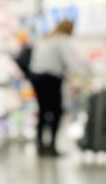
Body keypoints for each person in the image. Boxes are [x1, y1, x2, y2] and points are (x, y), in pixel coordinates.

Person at [28, 19, 85, 156]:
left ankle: (40, 145)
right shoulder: (62, 40)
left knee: (43, 111)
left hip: (36, 77)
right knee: (56, 112)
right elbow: (71, 62)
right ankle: (52, 146)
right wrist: (82, 75)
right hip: (51, 78)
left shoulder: (46, 38)